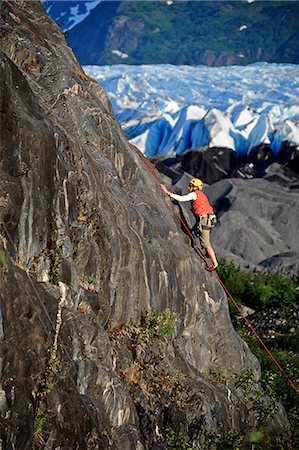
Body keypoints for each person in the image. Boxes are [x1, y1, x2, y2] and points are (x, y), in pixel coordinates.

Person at [161, 178, 218, 271]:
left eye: (191, 186)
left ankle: (215, 264)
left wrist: (168, 193)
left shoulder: (194, 194)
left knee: (206, 243)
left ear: (195, 187)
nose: (189, 187)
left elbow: (182, 199)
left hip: (204, 220)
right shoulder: (202, 195)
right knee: (199, 235)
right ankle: (208, 254)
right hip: (208, 219)